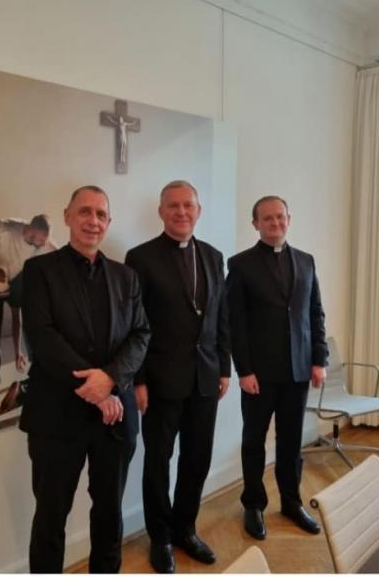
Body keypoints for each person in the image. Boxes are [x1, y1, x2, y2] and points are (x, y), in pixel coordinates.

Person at [19, 186, 150, 573]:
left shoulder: (126, 277)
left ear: (109, 222)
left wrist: (109, 379)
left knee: (110, 513)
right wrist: (95, 391)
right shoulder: (39, 271)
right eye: (85, 212)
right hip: (57, 416)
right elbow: (42, 337)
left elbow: (141, 334)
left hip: (115, 418)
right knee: (51, 515)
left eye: (101, 214)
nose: (93, 221)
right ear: (67, 216)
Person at [125, 180, 230, 574]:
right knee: (158, 462)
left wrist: (224, 367)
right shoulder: (140, 257)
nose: (181, 212)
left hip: (205, 377)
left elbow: (220, 315)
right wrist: (138, 379)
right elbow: (135, 324)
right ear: (161, 212)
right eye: (173, 206)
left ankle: (185, 528)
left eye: (188, 205)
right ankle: (160, 537)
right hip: (160, 381)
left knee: (197, 458)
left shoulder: (213, 256)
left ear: (198, 211)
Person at [226, 196, 328, 540]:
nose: (275, 223)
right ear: (255, 223)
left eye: (280, 217)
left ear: (289, 219)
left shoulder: (306, 261)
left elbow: (315, 313)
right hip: (259, 374)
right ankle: (253, 505)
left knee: (291, 442)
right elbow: (235, 323)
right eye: (267, 218)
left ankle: (291, 501)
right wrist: (244, 370)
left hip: (298, 371)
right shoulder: (240, 265)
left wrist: (319, 360)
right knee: (254, 442)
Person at [0, 215, 56, 405]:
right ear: (30, 230)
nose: (40, 245)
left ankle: (30, 372)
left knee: (23, 316)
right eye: (38, 241)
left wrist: (17, 351)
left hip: (14, 280)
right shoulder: (6, 227)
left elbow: (61, 256)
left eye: (43, 242)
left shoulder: (43, 241)